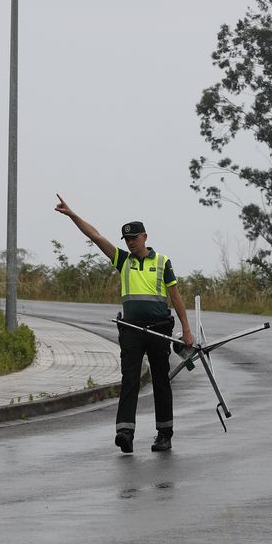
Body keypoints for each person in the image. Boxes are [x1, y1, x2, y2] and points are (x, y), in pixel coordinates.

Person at [55, 194, 193, 453]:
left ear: (145, 237)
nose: (130, 243)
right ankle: (125, 433)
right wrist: (72, 215)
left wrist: (186, 329)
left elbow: (175, 296)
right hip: (131, 329)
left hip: (159, 328)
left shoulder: (163, 262)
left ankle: (164, 433)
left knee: (161, 380)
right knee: (130, 378)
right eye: (127, 239)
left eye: (134, 238)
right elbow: (95, 236)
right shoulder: (123, 260)